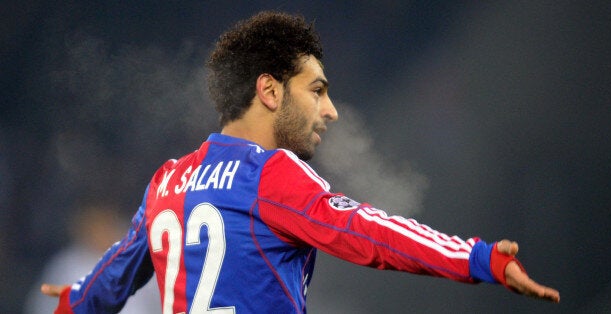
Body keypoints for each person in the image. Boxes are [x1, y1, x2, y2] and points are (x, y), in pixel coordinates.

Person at [42, 11, 560, 313]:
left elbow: (112, 280)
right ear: (269, 90)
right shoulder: (269, 175)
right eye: (316, 91)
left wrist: (71, 302)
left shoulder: (166, 182)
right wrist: (478, 259)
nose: (330, 110)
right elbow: (370, 234)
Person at [25, 202, 161, 314]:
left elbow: (166, 302)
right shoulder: (66, 265)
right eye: (93, 224)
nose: (99, 230)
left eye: (104, 223)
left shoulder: (140, 258)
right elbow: (41, 306)